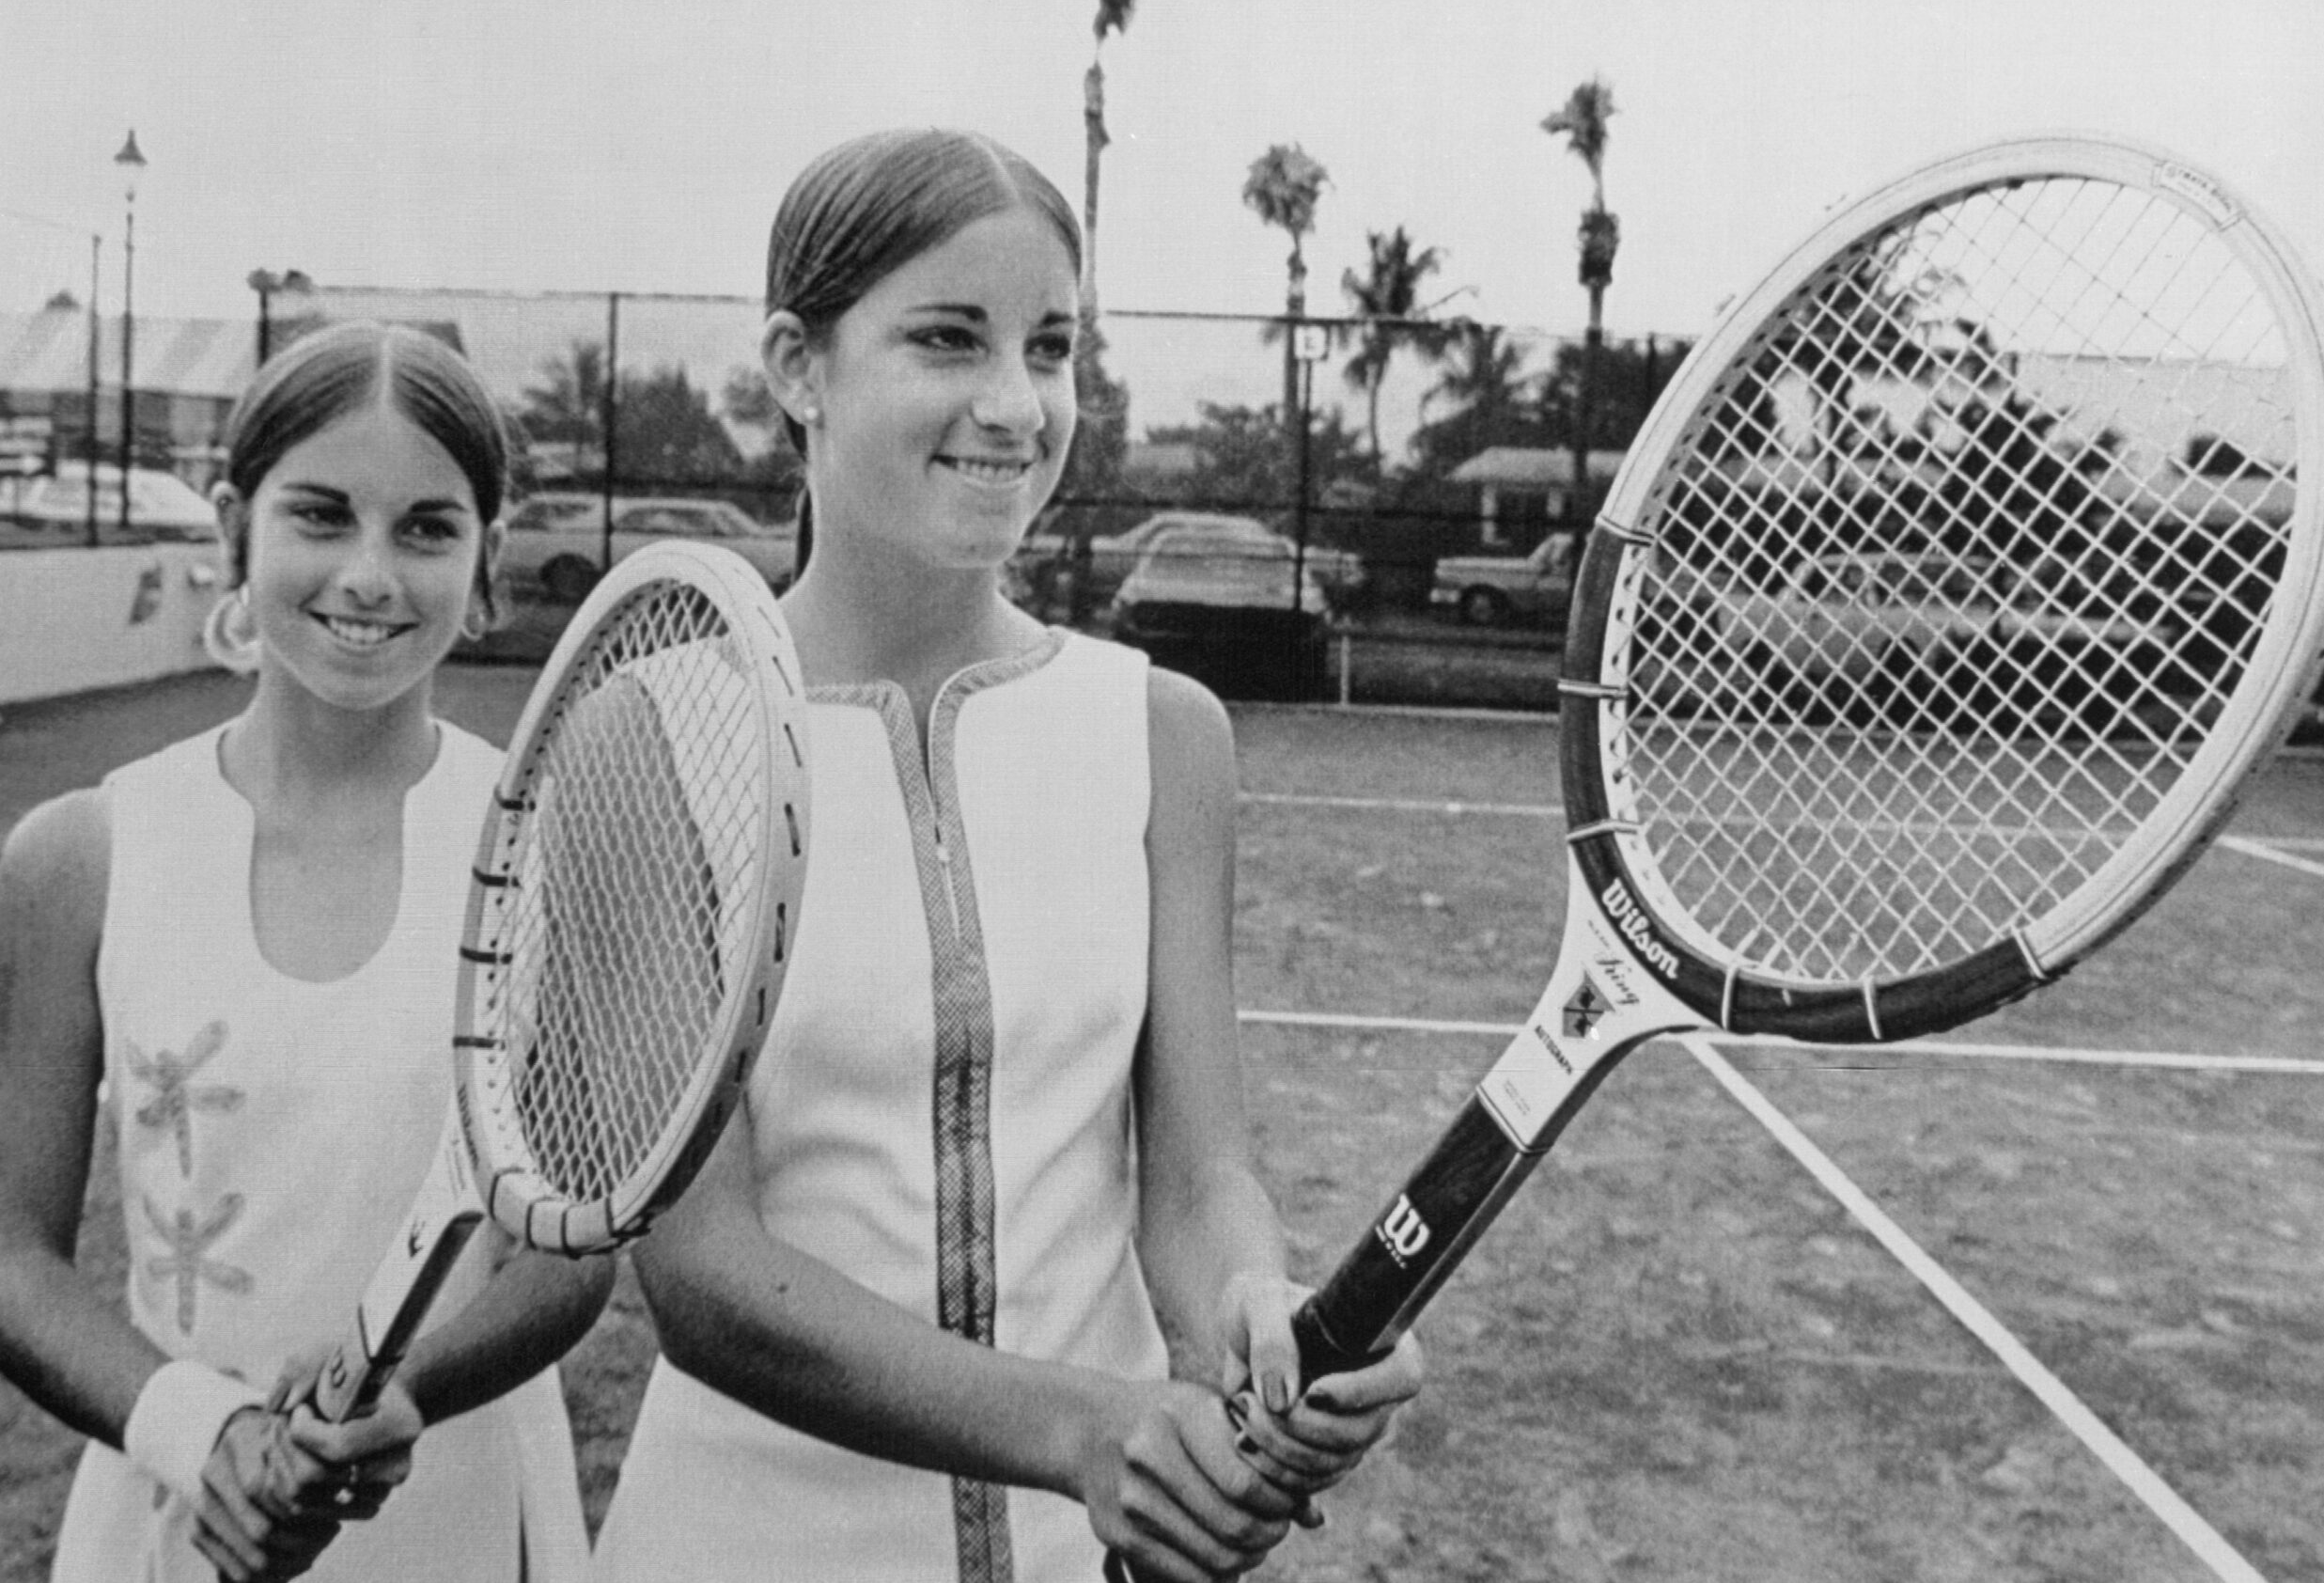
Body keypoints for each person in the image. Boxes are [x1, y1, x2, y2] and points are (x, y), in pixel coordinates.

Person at [591, 127, 1424, 1583]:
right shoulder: (654, 736)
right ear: (798, 365)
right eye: (946, 340)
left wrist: (1254, 1307)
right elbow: (700, 1273)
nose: (1014, 405)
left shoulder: (1165, 732)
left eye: (1049, 349)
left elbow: (1195, 1174)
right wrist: (1084, 1430)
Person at [0, 321, 613, 1583]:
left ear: (487, 562)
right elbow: (11, 1252)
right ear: (236, 527)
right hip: (171, 1517)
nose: (370, 574)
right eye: (322, 516)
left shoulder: (549, 849)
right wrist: (201, 1428)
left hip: (463, 1511)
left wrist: (394, 1394)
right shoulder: (80, 854)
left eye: (428, 528)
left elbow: (570, 1260)